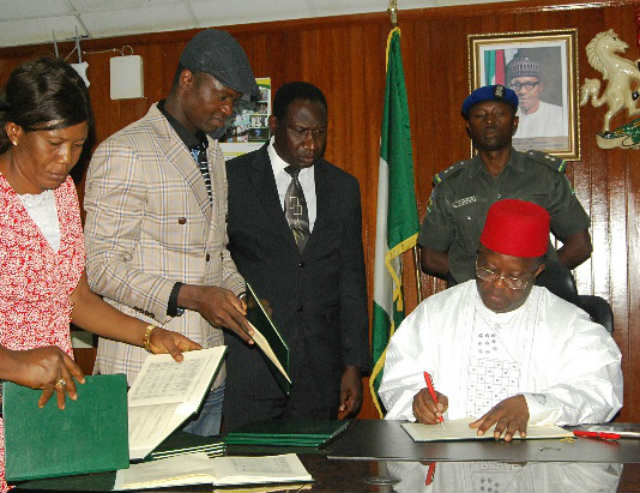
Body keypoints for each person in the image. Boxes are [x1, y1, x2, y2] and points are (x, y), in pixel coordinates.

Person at [0, 57, 200, 492]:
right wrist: (13, 363)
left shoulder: (65, 194)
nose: (66, 160)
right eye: (54, 143)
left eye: (77, 145)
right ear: (14, 131)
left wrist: (151, 335)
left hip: (51, 412)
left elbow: (77, 300)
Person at [83, 29, 258, 437]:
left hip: (208, 376)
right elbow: (102, 268)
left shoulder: (213, 154)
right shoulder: (125, 151)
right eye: (222, 96)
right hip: (144, 375)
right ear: (186, 80)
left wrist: (240, 296)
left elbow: (217, 251)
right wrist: (192, 296)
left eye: (234, 100)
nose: (229, 110)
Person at [380, 199, 622, 442]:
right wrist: (416, 401)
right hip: (447, 463)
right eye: (488, 270)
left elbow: (602, 392)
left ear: (536, 272)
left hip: (540, 467)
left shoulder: (570, 325)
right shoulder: (435, 313)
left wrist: (533, 406)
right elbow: (397, 381)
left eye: (514, 277)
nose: (497, 284)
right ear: (478, 258)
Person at [224, 82, 370, 430]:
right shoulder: (234, 179)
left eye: (320, 132)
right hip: (252, 365)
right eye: (300, 131)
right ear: (274, 125)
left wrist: (352, 366)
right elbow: (217, 261)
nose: (312, 144)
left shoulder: (343, 187)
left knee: (314, 475)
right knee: (250, 477)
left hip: (320, 373)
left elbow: (351, 278)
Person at [419, 84, 592, 289]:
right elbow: (430, 257)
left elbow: (579, 246)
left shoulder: (545, 177)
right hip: (471, 299)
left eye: (499, 114)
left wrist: (531, 279)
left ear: (515, 123)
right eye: (480, 116)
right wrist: (483, 282)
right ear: (469, 127)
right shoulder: (451, 186)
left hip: (535, 298)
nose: (490, 122)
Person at [507, 56, 567, 139]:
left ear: (540, 87)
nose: (522, 91)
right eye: (517, 85)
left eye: (529, 84)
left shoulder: (560, 116)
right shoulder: (506, 117)